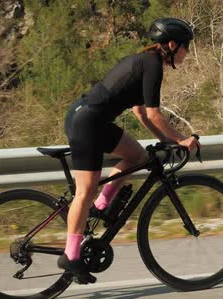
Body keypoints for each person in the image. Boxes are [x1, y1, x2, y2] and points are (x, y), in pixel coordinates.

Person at [58, 18, 200, 284]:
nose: (187, 52)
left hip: (93, 120)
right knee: (84, 191)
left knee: (137, 156)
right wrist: (180, 140)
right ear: (172, 45)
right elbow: (154, 114)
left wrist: (166, 141)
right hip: (87, 122)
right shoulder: (152, 65)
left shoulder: (144, 62)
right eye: (186, 46)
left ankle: (101, 205)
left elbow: (140, 113)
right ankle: (71, 255)